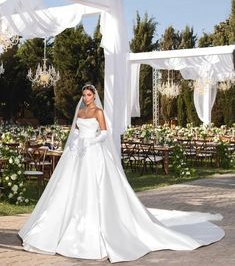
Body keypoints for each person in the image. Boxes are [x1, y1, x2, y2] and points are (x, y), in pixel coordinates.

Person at [18, 83, 224, 263]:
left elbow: (104, 134)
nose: (86, 98)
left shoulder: (98, 112)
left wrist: (90, 141)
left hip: (94, 153)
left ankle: (98, 228)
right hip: (77, 155)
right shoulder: (79, 113)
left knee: (95, 187)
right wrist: (75, 143)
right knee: (68, 189)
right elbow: (75, 133)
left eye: (89, 95)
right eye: (84, 95)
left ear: (94, 96)